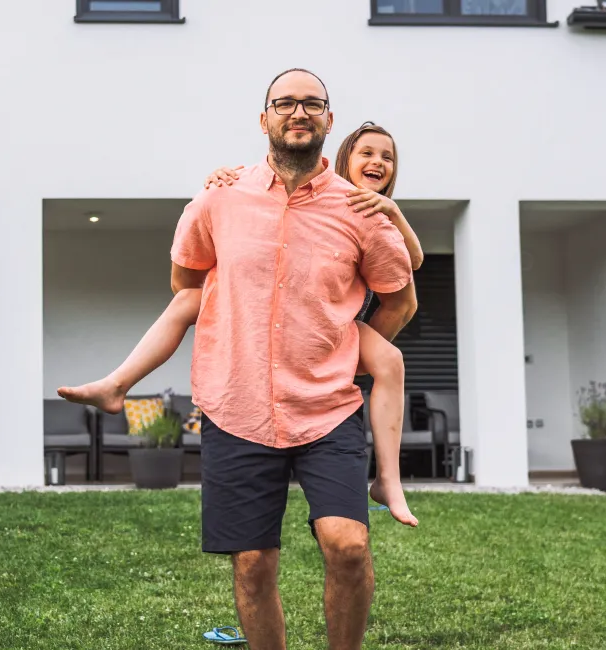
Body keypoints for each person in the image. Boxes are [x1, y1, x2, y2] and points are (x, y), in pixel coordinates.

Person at [57, 120, 423, 529]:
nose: (377, 162)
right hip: (264, 317)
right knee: (187, 300)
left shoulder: (369, 212)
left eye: (387, 157)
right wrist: (219, 181)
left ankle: (388, 478)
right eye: (367, 153)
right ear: (343, 159)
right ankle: (117, 384)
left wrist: (393, 213)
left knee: (390, 361)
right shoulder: (314, 197)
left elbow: (414, 266)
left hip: (337, 328)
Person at [175, 68, 415, 650]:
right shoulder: (220, 197)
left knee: (349, 545)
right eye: (285, 103)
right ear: (265, 119)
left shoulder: (361, 210)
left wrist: (351, 351)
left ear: (329, 120)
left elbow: (401, 297)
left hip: (326, 408)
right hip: (238, 406)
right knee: (253, 563)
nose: (298, 112)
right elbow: (186, 277)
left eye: (312, 104)